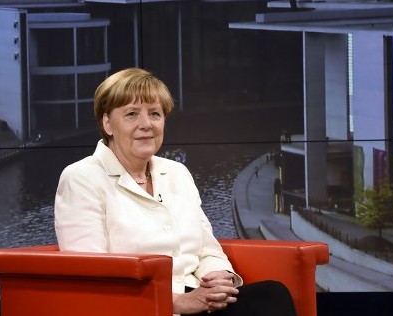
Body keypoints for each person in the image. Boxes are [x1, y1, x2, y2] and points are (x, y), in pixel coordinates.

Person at [54, 68, 296, 316]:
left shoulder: (177, 172)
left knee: (271, 295)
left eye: (155, 114)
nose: (146, 124)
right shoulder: (82, 177)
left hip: (197, 298)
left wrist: (218, 278)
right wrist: (177, 302)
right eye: (132, 114)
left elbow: (207, 248)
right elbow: (90, 275)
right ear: (107, 123)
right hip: (139, 307)